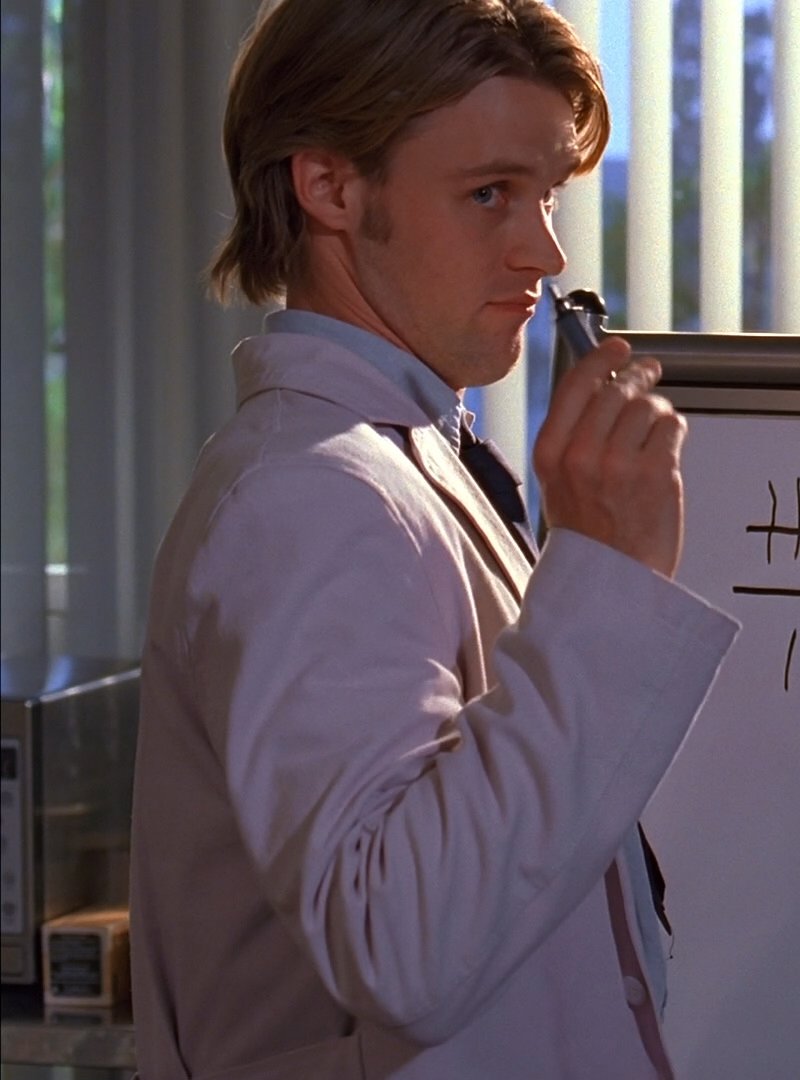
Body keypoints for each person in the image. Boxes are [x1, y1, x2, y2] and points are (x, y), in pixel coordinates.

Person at [127, 2, 737, 1076]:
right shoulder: (308, 497)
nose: (545, 250)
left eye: (546, 196)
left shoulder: (406, 464)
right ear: (330, 187)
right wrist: (607, 574)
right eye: (490, 193)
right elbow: (404, 943)